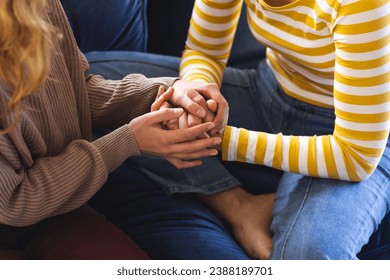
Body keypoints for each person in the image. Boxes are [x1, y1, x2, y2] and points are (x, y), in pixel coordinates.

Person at [121, 0, 389, 260]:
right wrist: (196, 94)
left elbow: (356, 156)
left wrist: (217, 140)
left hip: (355, 131)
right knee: (92, 92)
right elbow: (204, 50)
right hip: (268, 93)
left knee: (308, 257)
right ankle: (238, 205)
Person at [0, 0, 222, 259]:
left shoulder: (40, 6)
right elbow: (15, 200)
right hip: (21, 207)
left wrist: (168, 92)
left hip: (56, 209)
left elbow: (76, 91)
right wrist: (126, 142)